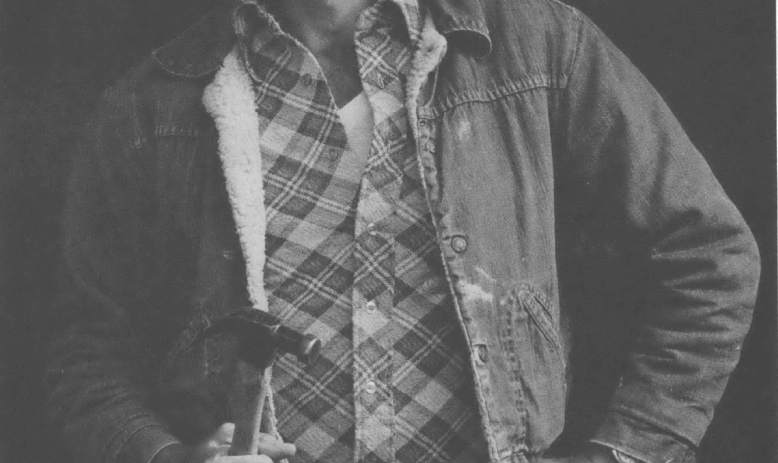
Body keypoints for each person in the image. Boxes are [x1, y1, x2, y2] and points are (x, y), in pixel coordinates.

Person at [44, 0, 761, 462]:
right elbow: (84, 348)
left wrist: (621, 451)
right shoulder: (148, 107)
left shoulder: (537, 49)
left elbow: (710, 256)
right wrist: (165, 455)